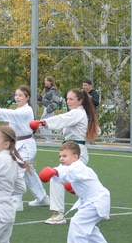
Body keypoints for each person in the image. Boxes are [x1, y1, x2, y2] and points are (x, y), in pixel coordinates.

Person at [39, 141, 114, 243]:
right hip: (94, 200)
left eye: (65, 156)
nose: (61, 159)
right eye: (60, 156)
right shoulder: (72, 168)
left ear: (75, 157)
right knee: (88, 227)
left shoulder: (78, 167)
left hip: (96, 201)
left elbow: (68, 172)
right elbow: (66, 173)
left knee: (77, 223)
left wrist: (54, 171)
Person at [33, 88, 99, 225]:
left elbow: (62, 119)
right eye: (67, 99)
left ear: (80, 101)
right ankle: (99, 207)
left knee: (56, 177)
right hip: (75, 151)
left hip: (75, 152)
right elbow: (97, 130)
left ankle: (58, 214)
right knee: (82, 181)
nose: (68, 101)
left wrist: (44, 123)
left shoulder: (77, 113)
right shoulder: (83, 113)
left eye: (71, 99)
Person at [0, 85, 48, 207]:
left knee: (17, 171)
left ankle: (16, 201)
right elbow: (10, 116)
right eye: (16, 95)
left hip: (26, 145)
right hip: (18, 144)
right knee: (28, 172)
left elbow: (12, 114)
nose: (17, 97)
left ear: (27, 97)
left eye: (20, 95)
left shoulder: (26, 110)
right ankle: (42, 197)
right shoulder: (19, 110)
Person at [36, 76, 60, 143]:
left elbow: (55, 101)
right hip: (47, 108)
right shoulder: (47, 90)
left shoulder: (53, 91)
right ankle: (48, 139)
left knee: (44, 124)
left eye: (47, 81)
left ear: (51, 82)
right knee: (44, 125)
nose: (45, 82)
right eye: (45, 81)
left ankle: (49, 140)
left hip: (49, 110)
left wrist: (49, 109)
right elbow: (42, 98)